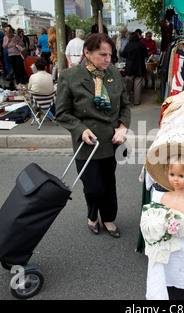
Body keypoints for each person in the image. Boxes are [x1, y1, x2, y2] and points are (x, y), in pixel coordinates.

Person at [55, 33, 131, 238]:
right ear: (87, 52)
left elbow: (125, 106)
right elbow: (62, 112)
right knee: (92, 187)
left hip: (112, 140)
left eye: (110, 54)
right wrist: (80, 130)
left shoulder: (114, 74)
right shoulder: (69, 76)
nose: (107, 59)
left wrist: (123, 127)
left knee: (108, 184)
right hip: (86, 143)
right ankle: (92, 216)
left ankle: (108, 218)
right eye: (102, 54)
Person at [121, 32, 148, 106]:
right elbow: (146, 54)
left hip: (130, 68)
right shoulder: (142, 45)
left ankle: (128, 101)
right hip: (140, 67)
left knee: (128, 85)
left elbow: (123, 54)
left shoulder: (128, 45)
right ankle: (137, 101)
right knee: (138, 85)